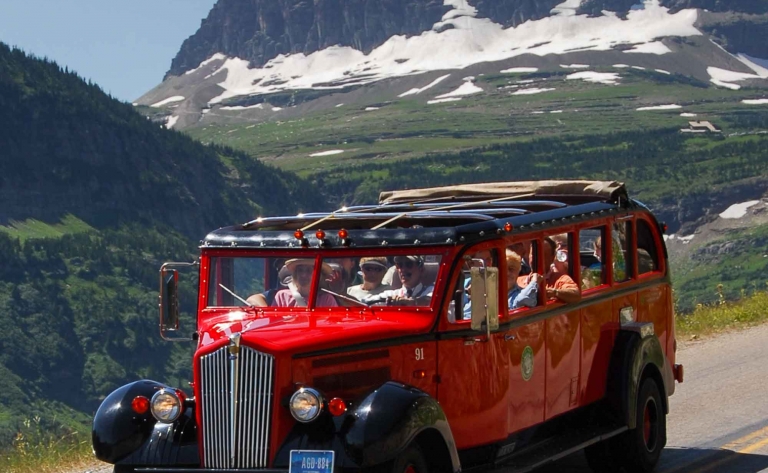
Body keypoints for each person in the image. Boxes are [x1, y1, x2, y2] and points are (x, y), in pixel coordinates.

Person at [364, 255, 433, 305]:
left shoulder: (430, 290)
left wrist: (411, 302)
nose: (403, 269)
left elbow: (430, 300)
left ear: (421, 269)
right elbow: (366, 301)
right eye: (400, 265)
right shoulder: (392, 294)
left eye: (409, 264)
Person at [269, 259, 338, 307]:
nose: (303, 275)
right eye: (300, 270)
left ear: (317, 275)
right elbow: (273, 323)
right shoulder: (282, 296)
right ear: (295, 274)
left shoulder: (327, 300)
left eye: (308, 271)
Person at [538, 237, 581, 303]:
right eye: (533, 254)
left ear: (552, 257)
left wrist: (554, 292)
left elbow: (576, 295)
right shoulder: (520, 278)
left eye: (563, 245)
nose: (536, 259)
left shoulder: (561, 278)